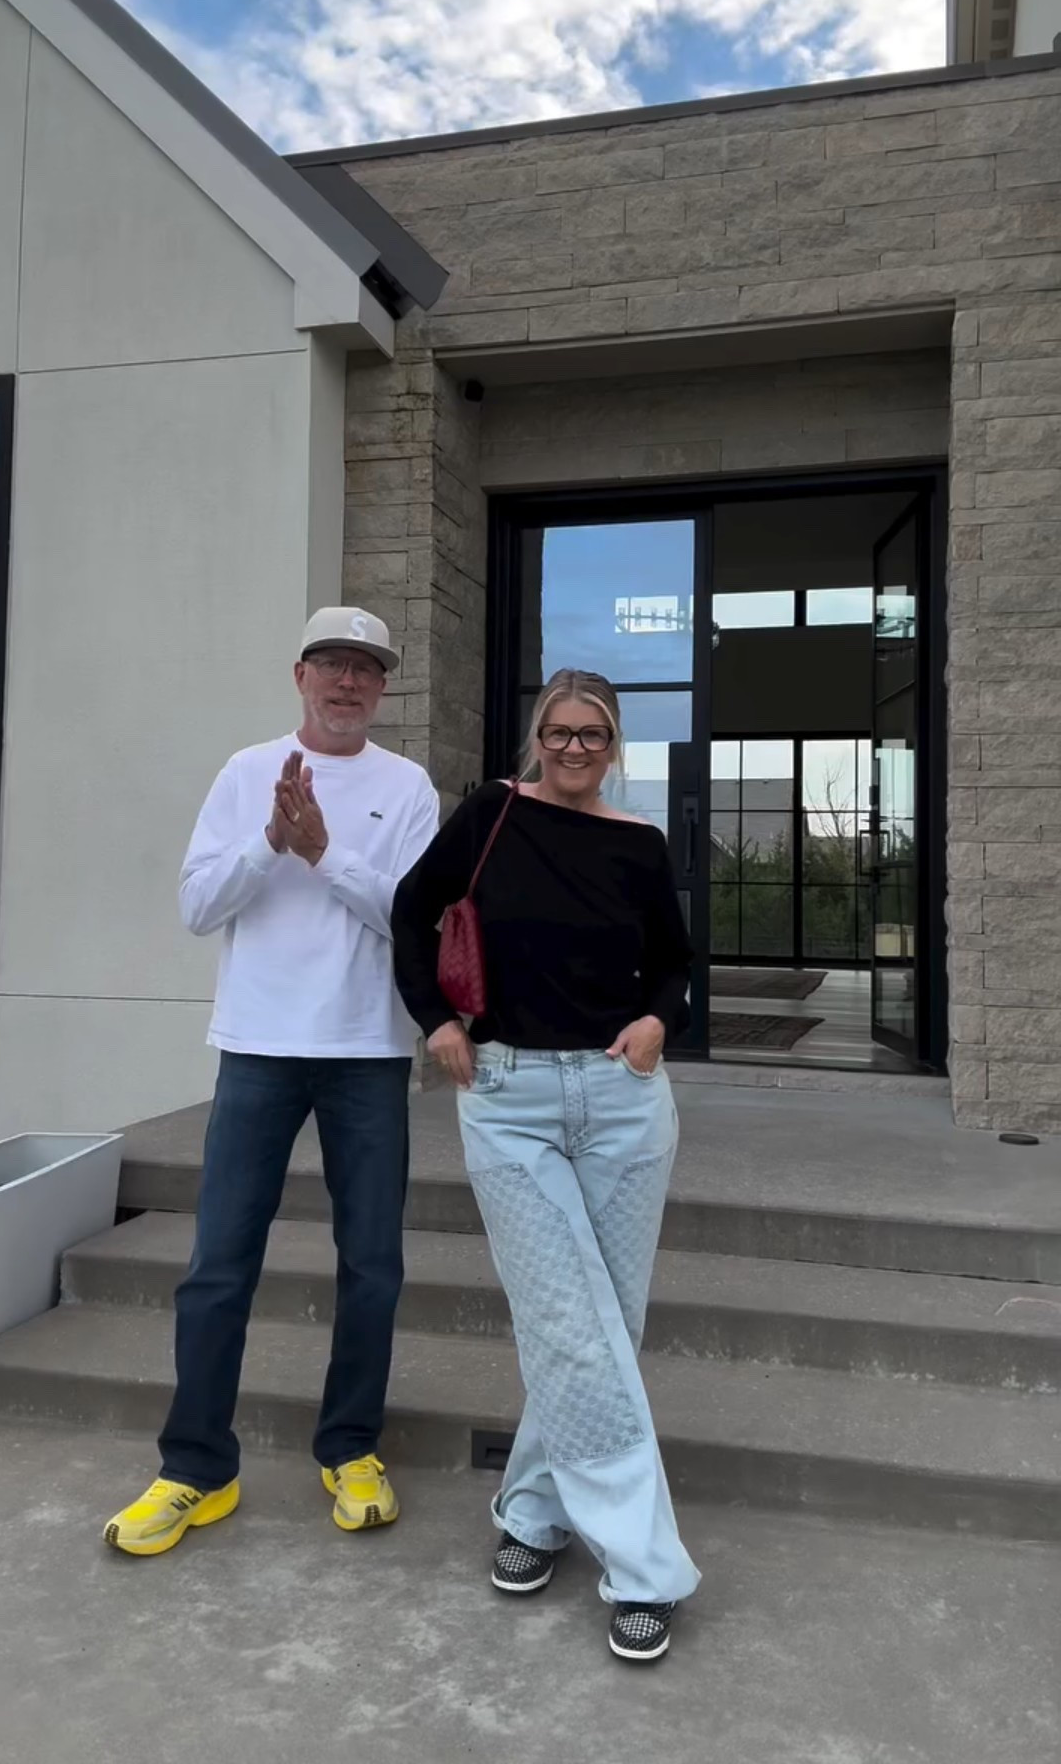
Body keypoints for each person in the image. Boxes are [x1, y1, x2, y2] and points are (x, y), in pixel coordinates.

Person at [104, 608, 439, 1556]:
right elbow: (197, 906)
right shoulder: (246, 771)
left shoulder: (407, 786)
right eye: (331, 664)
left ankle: (352, 1448)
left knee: (372, 1264)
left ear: (383, 686)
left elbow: (414, 920)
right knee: (219, 1265)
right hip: (256, 1047)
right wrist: (269, 841)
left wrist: (324, 851)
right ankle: (196, 1467)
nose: (348, 682)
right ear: (300, 675)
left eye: (366, 668)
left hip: (367, 1052)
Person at [390, 667, 700, 1663]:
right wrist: (436, 1020)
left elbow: (674, 962)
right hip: (510, 1097)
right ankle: (644, 1566)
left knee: (606, 1323)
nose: (574, 749)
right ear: (537, 736)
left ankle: (531, 1509)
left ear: (614, 743)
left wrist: (657, 1021)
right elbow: (410, 913)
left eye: (592, 735)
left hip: (622, 1097)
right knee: (569, 1321)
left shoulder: (638, 842)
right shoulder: (492, 813)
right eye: (560, 732)